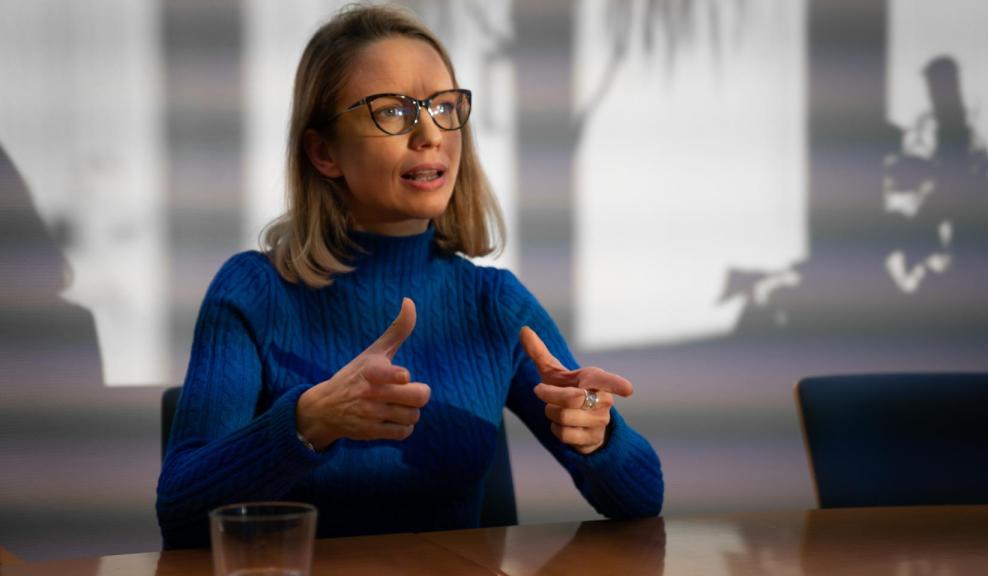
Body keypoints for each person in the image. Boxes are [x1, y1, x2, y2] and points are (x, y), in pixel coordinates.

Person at [156, 4, 663, 549]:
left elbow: (641, 499)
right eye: (393, 112)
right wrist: (307, 422)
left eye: (445, 106)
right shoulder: (252, 293)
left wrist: (597, 429)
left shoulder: (493, 303)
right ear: (324, 152)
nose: (430, 133)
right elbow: (180, 511)